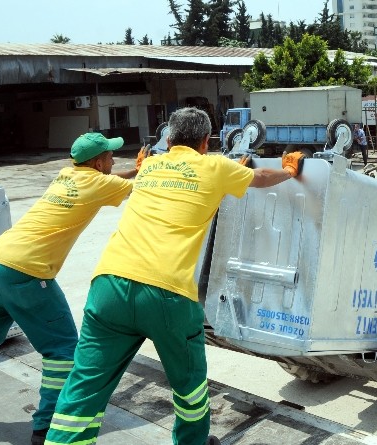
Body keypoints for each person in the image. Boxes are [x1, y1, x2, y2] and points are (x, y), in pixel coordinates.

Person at [44, 107, 305, 445]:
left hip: (109, 285)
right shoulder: (214, 166)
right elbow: (260, 179)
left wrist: (225, 174)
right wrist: (287, 169)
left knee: (85, 384)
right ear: (205, 141)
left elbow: (170, 184)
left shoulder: (150, 165)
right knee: (189, 385)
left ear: (168, 139)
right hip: (166, 294)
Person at [0, 133, 146, 445]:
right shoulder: (101, 183)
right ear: (99, 163)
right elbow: (142, 189)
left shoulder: (67, 174)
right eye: (110, 157)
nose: (115, 161)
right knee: (63, 352)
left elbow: (111, 180)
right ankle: (48, 427)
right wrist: (152, 168)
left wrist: (133, 170)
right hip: (28, 274)